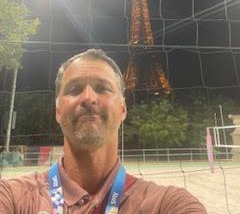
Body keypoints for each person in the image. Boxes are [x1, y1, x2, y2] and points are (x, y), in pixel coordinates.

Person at [0, 49, 207, 214]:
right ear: (57, 112)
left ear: (123, 109)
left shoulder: (166, 204)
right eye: (74, 89)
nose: (88, 98)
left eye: (103, 88)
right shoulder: (12, 196)